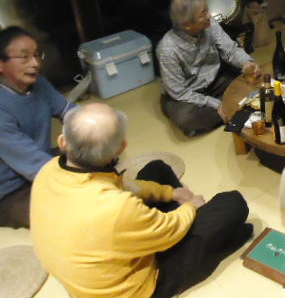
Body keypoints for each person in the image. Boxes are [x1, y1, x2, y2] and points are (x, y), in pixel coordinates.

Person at [30, 103, 252, 298]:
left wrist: (171, 193)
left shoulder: (48, 170)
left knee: (156, 168)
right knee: (233, 203)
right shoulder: (116, 207)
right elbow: (169, 231)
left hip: (98, 261)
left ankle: (193, 224)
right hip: (133, 289)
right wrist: (189, 207)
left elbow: (123, 185)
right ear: (121, 147)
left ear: (62, 141)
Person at [156, 0, 261, 137]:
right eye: (203, 14)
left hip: (215, 80)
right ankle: (232, 108)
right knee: (186, 118)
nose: (209, 15)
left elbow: (230, 51)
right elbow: (180, 92)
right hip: (187, 95)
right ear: (187, 24)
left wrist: (246, 63)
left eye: (206, 10)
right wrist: (216, 104)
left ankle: (226, 110)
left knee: (250, 83)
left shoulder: (210, 23)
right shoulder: (167, 50)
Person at [0, 26, 74, 228]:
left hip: (41, 160)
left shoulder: (39, 83)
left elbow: (68, 110)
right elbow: (35, 164)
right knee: (70, 211)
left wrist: (94, 130)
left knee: (96, 153)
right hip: (11, 192)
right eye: (24, 57)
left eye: (36, 55)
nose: (35, 63)